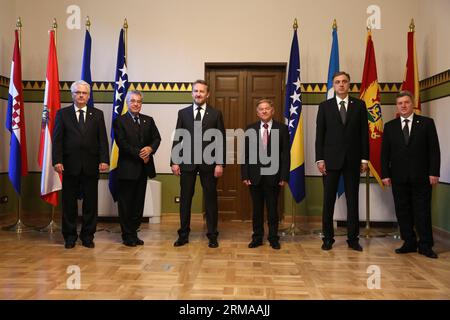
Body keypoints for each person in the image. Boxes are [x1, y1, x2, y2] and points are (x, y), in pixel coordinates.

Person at [381, 91, 440, 259]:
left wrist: (434, 172)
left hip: (422, 176)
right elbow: (384, 154)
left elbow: (434, 151)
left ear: (412, 103)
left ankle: (425, 245)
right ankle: (409, 242)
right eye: (400, 103)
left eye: (406, 102)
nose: (403, 105)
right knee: (403, 211)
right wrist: (385, 174)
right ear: (397, 106)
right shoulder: (390, 126)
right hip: (398, 177)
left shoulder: (427, 123)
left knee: (422, 211)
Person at [315, 71, 369, 251]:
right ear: (334, 85)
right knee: (328, 200)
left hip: (353, 160)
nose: (341, 85)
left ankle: (353, 239)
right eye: (337, 82)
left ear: (349, 84)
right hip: (330, 161)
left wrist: (364, 159)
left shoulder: (360, 106)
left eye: (344, 81)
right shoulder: (325, 106)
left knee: (353, 201)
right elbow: (319, 135)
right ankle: (327, 238)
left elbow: (364, 135)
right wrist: (320, 159)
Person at [53, 80, 109, 249]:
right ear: (72, 95)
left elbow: (102, 140)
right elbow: (57, 140)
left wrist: (104, 159)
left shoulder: (97, 114)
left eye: (84, 93)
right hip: (69, 165)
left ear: (89, 95)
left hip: (91, 165)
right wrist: (57, 160)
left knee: (90, 203)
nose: (81, 95)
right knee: (69, 203)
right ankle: (70, 236)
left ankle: (87, 236)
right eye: (78, 92)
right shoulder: (62, 114)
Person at [171, 79, 225, 248]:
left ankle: (212, 235)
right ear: (192, 93)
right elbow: (178, 138)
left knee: (210, 200)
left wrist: (220, 163)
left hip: (210, 164)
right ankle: (183, 235)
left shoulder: (216, 114)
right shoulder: (183, 113)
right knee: (185, 199)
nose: (198, 94)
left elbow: (221, 140)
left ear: (207, 94)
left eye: (202, 91)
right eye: (196, 91)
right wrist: (174, 161)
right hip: (186, 163)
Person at [113, 90, 161, 247]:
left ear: (141, 103)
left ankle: (134, 232)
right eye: (132, 101)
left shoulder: (149, 120)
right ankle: (127, 235)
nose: (136, 104)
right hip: (127, 170)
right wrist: (141, 154)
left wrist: (150, 149)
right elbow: (122, 143)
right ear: (127, 103)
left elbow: (156, 138)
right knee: (126, 204)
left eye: (139, 101)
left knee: (138, 204)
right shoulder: (119, 121)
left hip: (144, 170)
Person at [241, 99, 290, 250]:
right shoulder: (250, 129)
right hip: (254, 176)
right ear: (257, 112)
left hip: (274, 177)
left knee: (273, 209)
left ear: (272, 111)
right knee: (256, 210)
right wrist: (245, 175)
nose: (264, 111)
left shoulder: (282, 129)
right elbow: (245, 154)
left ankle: (273, 237)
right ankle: (257, 237)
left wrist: (284, 176)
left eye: (267, 108)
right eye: (261, 109)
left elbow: (285, 155)